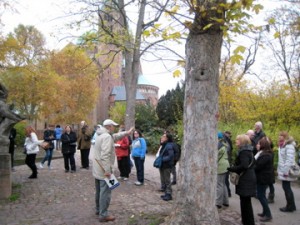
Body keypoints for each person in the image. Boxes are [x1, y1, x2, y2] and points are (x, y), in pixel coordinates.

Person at [92, 119, 133, 222]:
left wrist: (126, 133)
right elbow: (105, 155)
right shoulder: (106, 137)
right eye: (113, 126)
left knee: (99, 191)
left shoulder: (101, 134)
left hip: (98, 168)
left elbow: (114, 137)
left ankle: (99, 210)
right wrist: (107, 170)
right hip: (104, 169)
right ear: (109, 126)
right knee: (105, 192)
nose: (114, 128)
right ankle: (103, 214)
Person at [227, 134, 256, 225]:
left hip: (245, 179)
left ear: (242, 141)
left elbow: (244, 166)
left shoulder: (244, 152)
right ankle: (247, 221)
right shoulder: (249, 151)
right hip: (249, 177)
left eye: (237, 140)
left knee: (245, 203)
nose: (236, 141)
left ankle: (248, 222)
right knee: (245, 202)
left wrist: (232, 169)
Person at [254, 137, 273, 222]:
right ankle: (265, 212)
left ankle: (268, 214)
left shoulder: (265, 155)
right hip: (262, 177)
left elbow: (258, 166)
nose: (257, 145)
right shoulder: (263, 153)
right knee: (262, 195)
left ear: (263, 145)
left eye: (259, 143)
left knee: (260, 196)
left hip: (263, 178)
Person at [277, 131, 297, 212]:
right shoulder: (282, 145)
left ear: (284, 137)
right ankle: (291, 205)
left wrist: (285, 171)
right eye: (279, 135)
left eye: (281, 136)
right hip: (284, 169)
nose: (279, 137)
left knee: (287, 188)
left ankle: (290, 206)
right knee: (286, 187)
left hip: (287, 170)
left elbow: (289, 160)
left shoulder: (289, 146)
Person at [159, 132, 175, 201]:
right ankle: (166, 193)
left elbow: (171, 155)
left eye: (164, 137)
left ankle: (169, 194)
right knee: (164, 179)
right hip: (162, 165)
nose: (162, 137)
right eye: (162, 136)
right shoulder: (164, 145)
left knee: (167, 180)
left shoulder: (169, 145)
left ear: (167, 138)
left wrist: (162, 159)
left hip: (167, 165)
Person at [216, 132, 230, 209]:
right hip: (225, 165)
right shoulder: (224, 144)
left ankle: (218, 203)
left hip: (220, 166)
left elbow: (215, 157)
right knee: (223, 184)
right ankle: (225, 201)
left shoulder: (218, 145)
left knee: (219, 185)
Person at [223, 130, 233, 197]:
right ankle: (228, 192)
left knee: (225, 179)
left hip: (225, 161)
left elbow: (228, 151)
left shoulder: (226, 142)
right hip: (228, 161)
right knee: (225, 179)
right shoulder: (228, 141)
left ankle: (227, 193)